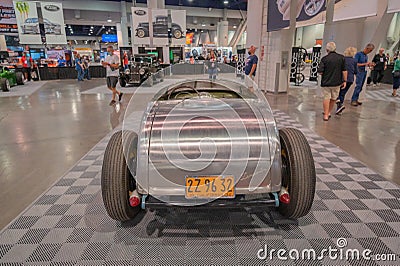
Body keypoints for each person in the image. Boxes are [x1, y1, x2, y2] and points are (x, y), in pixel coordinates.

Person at [317, 42, 347, 121]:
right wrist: (345, 80)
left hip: (326, 82)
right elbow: (344, 70)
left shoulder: (324, 59)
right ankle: (329, 112)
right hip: (337, 82)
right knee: (334, 98)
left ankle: (326, 114)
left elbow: (320, 71)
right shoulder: (341, 58)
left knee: (326, 97)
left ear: (327, 49)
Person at [336, 47, 357, 115]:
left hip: (341, 78)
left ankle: (339, 103)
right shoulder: (354, 61)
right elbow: (356, 71)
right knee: (343, 93)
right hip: (350, 79)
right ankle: (339, 107)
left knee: (337, 92)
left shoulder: (342, 59)